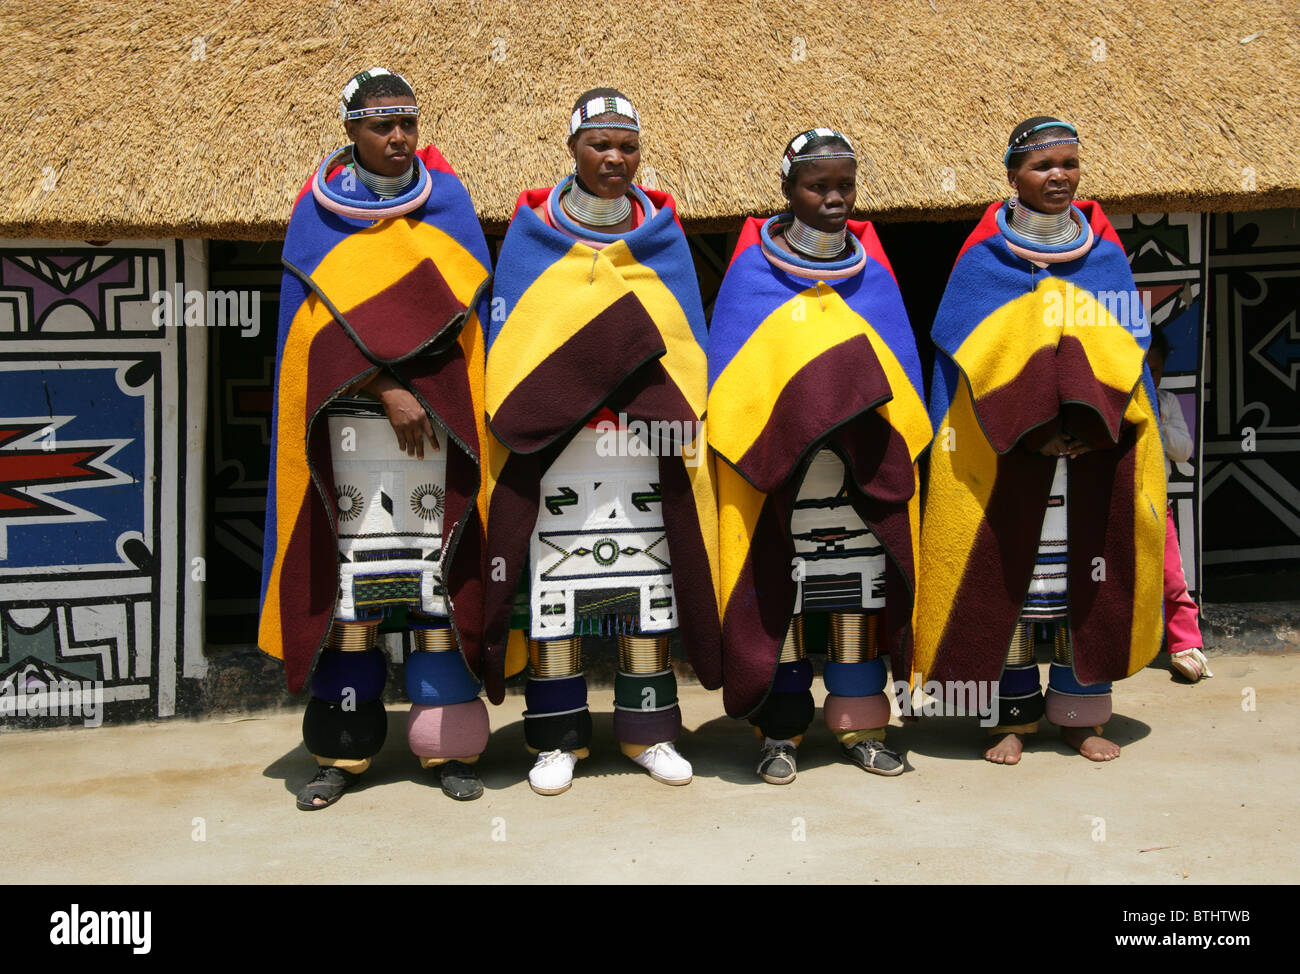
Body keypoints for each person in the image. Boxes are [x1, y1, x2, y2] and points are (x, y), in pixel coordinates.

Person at [259, 68, 494, 808]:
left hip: (438, 434)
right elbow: (316, 336)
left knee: (436, 595)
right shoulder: (318, 215)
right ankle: (342, 755)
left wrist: (424, 393)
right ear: (350, 132)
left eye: (408, 124)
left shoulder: (447, 203)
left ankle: (444, 753)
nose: (397, 138)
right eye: (380, 125)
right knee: (351, 603)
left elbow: (464, 325)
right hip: (349, 440)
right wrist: (385, 387)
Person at [481, 89, 721, 795]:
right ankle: (558, 743)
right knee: (560, 590)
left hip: (643, 452)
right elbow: (514, 353)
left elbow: (684, 349)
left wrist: (641, 393)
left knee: (645, 591)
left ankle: (649, 735)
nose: (615, 158)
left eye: (627, 146)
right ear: (573, 150)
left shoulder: (664, 238)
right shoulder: (532, 237)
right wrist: (571, 391)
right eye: (600, 145)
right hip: (558, 455)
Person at [915, 116, 1166, 764]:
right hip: (1006, 457)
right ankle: (1012, 719)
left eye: (1069, 163)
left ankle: (1081, 717)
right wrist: (1027, 429)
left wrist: (1090, 426)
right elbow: (968, 359)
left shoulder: (1103, 256)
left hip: (1091, 459)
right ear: (1012, 175)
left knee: (1088, 576)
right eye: (1043, 165)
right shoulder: (985, 260)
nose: (1059, 176)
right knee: (1012, 587)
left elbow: (1124, 354)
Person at [708, 129, 930, 784]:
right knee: (785, 599)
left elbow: (899, 372)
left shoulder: (874, 273)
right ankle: (779, 735)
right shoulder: (753, 274)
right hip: (780, 478)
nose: (834, 198)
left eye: (844, 186)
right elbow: (734, 385)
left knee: (857, 600)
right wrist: (796, 427)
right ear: (787, 189)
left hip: (862, 476)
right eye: (818, 186)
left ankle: (863, 728)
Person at [1147, 331, 1213, 682]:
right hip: (1115, 505)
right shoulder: (1113, 401)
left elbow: (1183, 452)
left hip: (1158, 504)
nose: (1147, 376)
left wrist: (1156, 416)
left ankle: (1186, 646)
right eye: (1141, 367)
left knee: (1172, 577)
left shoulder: (1167, 402)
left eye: (1154, 370)